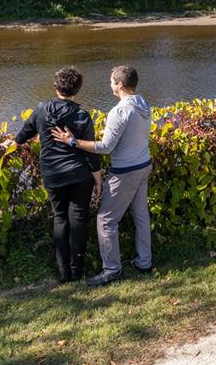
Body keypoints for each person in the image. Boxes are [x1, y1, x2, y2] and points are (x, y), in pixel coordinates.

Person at [52, 65, 153, 287]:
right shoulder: (143, 103)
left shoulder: (119, 111)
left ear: (120, 85)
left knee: (106, 219)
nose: (110, 85)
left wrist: (72, 142)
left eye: (111, 82)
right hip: (144, 165)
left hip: (125, 171)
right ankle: (144, 262)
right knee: (141, 215)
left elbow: (105, 147)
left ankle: (112, 270)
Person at [3, 66, 101, 283]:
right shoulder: (82, 115)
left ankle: (63, 272)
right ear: (78, 89)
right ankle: (77, 270)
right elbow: (91, 151)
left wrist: (13, 142)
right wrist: (98, 177)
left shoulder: (42, 109)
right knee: (78, 220)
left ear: (56, 87)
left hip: (52, 174)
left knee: (60, 218)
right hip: (79, 175)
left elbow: (25, 132)